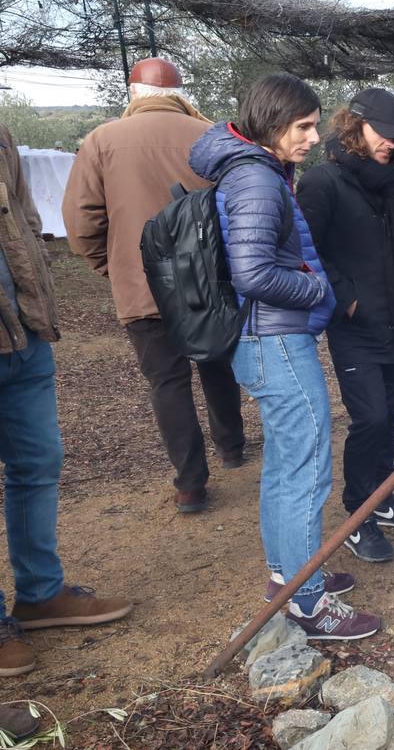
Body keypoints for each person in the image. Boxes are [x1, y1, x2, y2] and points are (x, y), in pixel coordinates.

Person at [188, 74, 376, 640]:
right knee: (307, 469)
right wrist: (318, 291)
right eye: (304, 127)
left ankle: (288, 575)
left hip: (266, 341)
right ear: (271, 126)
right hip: (276, 340)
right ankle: (307, 604)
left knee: (285, 465)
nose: (315, 138)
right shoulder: (256, 180)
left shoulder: (256, 171)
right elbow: (253, 273)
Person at [62, 57, 248, 514]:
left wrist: (113, 266)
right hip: (208, 280)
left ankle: (190, 485)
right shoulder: (211, 133)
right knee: (216, 361)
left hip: (142, 283)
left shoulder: (102, 140)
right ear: (180, 92)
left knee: (167, 381)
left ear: (132, 94)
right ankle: (232, 447)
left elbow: (80, 220)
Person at [1, 123, 132, 703]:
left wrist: (39, 299)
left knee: (38, 462)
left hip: (23, 333)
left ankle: (39, 594)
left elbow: (25, 217)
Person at [297, 89, 394, 563]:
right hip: (356, 325)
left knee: (389, 417)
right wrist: (346, 300)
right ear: (355, 126)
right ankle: (359, 513)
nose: (391, 146)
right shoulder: (321, 182)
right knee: (370, 417)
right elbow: (305, 255)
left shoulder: (392, 181)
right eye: (383, 135)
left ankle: (384, 497)